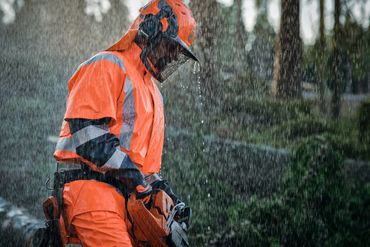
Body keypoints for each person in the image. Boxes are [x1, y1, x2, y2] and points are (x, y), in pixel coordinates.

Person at [52, 0, 198, 246]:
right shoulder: (107, 64)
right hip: (92, 195)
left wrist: (162, 190)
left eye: (177, 50)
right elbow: (87, 136)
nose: (173, 55)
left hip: (126, 203)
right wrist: (136, 178)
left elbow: (143, 168)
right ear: (150, 29)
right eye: (171, 45)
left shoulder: (153, 93)